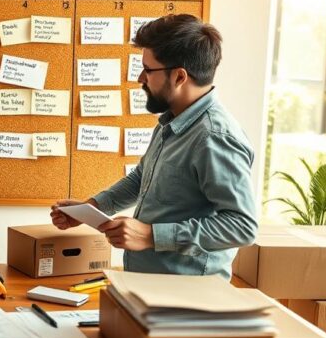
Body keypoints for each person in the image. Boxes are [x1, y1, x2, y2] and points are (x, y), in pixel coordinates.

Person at [51, 14, 257, 277]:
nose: (140, 78)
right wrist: (92, 209)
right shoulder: (172, 121)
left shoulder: (214, 137)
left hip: (185, 292)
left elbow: (242, 226)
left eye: (148, 70)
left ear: (179, 77)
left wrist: (150, 235)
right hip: (150, 282)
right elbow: (142, 178)